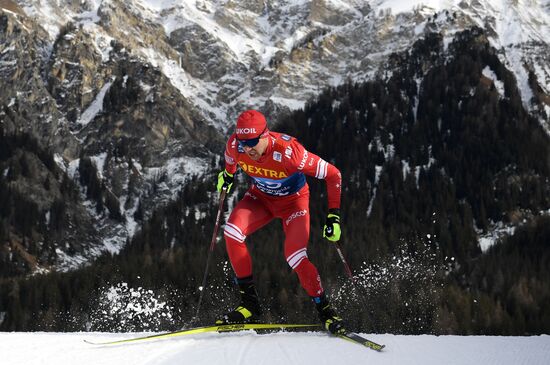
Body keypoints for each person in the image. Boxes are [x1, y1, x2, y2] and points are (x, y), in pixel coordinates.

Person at [215, 109, 345, 334]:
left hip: (293, 203)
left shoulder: (289, 153)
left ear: (265, 135)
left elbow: (333, 174)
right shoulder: (235, 146)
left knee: (295, 256)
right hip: (261, 199)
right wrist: (227, 176)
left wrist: (333, 216)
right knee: (232, 232)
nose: (248, 148)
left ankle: (326, 310)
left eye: (253, 142)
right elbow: (230, 161)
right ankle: (249, 305)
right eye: (243, 142)